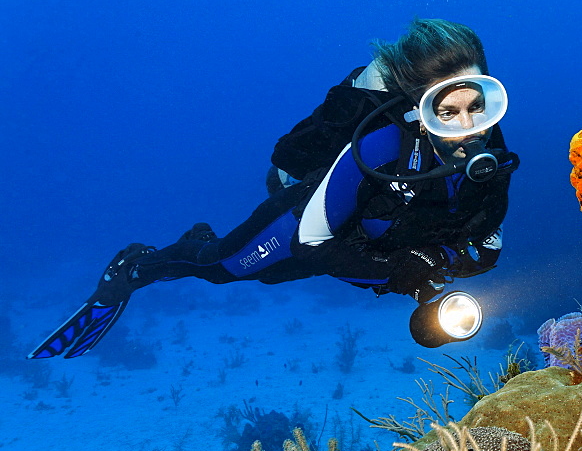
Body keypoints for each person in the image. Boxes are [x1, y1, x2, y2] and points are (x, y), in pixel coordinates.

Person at [29, 19, 518, 359]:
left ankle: (198, 242)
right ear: (418, 109)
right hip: (304, 226)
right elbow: (310, 243)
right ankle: (137, 267)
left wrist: (436, 262)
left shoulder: (490, 156)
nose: (468, 127)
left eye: (479, 104)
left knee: (274, 279)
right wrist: (403, 273)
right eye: (446, 112)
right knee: (222, 267)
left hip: (360, 252)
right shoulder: (382, 144)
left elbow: (487, 243)